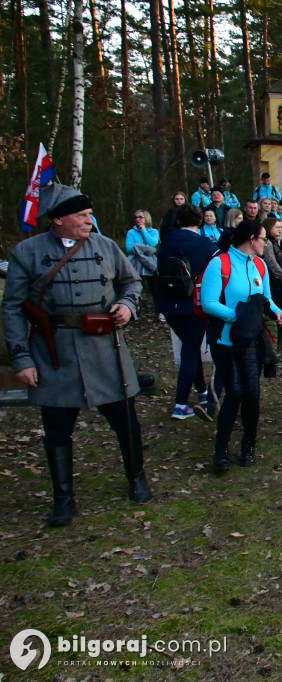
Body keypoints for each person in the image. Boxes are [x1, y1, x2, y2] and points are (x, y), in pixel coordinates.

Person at [1, 183, 152, 526]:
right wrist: (22, 359)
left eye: (89, 214)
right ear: (57, 220)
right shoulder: (28, 252)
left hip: (105, 350)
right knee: (56, 430)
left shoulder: (106, 246)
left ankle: (137, 477)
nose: (89, 220)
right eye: (81, 215)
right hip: (54, 353)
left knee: (126, 421)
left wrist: (127, 306)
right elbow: (12, 309)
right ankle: (63, 498)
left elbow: (132, 284)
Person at [200, 220, 282, 473]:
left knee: (252, 393)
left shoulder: (260, 265)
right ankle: (221, 451)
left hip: (251, 340)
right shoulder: (220, 264)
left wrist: (277, 312)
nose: (266, 243)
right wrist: (240, 316)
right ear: (251, 239)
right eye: (263, 239)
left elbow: (266, 298)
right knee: (235, 392)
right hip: (225, 341)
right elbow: (208, 302)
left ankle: (248, 445)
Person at [157, 203, 219, 420]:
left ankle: (202, 393)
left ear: (178, 221)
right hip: (194, 303)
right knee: (190, 352)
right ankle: (181, 403)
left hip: (168, 304)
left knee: (189, 349)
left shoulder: (165, 243)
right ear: (199, 221)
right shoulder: (205, 244)